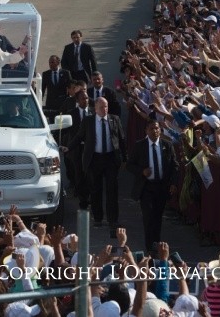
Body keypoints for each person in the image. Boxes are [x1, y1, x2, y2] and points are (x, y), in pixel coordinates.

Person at [68, 97, 126, 234]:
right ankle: (98, 217)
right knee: (95, 190)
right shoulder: (88, 121)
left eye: (106, 107)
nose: (104, 110)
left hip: (111, 159)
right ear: (95, 108)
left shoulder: (114, 119)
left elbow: (121, 139)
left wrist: (125, 158)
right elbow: (79, 137)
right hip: (94, 159)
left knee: (112, 190)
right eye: (101, 107)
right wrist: (68, 148)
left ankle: (113, 220)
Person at [128, 120, 179, 249]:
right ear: (146, 131)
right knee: (148, 218)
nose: (155, 131)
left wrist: (173, 183)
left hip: (162, 187)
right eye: (152, 129)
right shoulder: (140, 146)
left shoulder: (167, 146)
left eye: (157, 128)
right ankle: (150, 248)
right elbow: (129, 165)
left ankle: (157, 246)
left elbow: (175, 166)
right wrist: (142, 171)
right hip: (146, 187)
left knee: (157, 218)